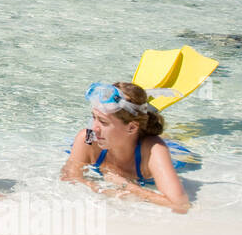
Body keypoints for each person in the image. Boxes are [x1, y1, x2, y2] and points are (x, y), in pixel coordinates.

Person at [60, 81, 191, 213]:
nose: (94, 128)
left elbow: (180, 205)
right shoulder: (87, 138)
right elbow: (70, 178)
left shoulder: (154, 150)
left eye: (103, 122)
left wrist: (127, 186)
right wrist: (103, 190)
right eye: (94, 117)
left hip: (174, 153)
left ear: (132, 127)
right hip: (130, 139)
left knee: (173, 138)